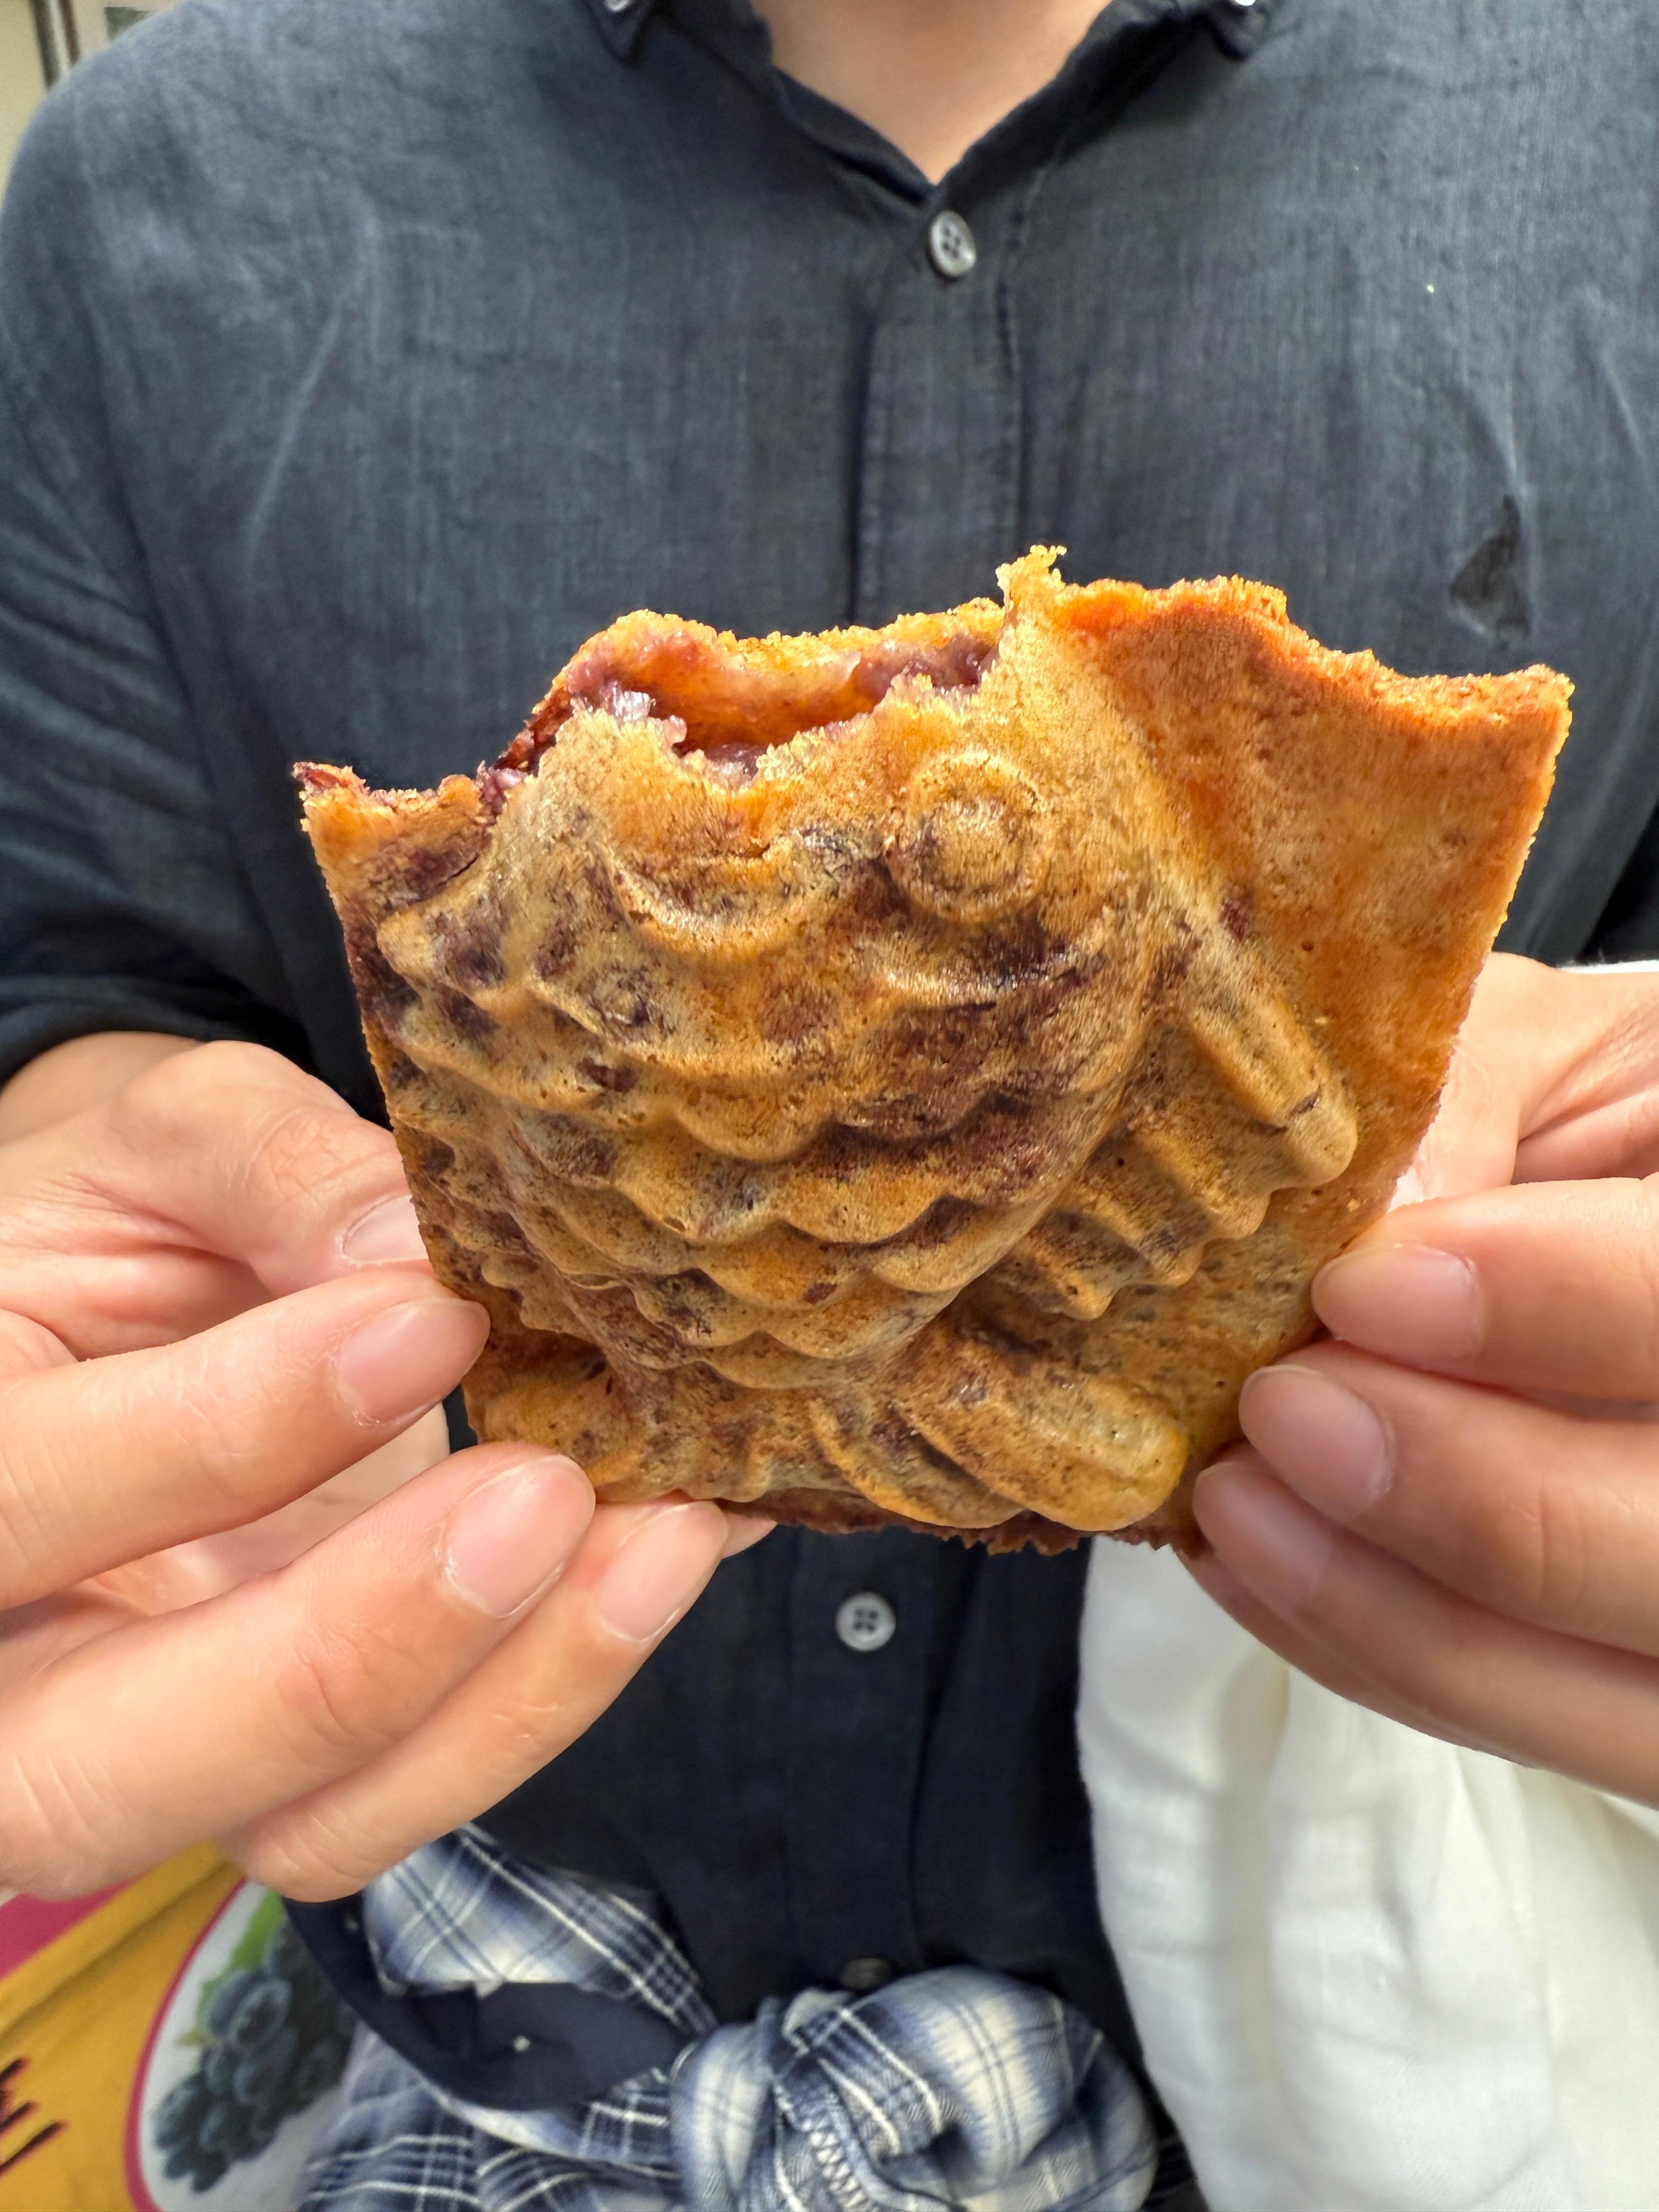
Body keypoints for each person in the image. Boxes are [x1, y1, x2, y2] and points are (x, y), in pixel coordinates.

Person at [5, 0, 1659, 2203]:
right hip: (466, 1997)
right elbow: (78, 976)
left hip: (1372, 2017)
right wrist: (94, 1190)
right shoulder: (158, 194)